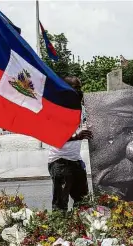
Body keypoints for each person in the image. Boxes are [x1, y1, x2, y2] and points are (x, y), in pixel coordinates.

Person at [48, 76, 92, 212]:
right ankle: (61, 232)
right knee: (60, 205)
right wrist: (76, 136)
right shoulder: (57, 109)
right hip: (60, 162)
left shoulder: (82, 108)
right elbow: (52, 135)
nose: (79, 91)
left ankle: (80, 232)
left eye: (80, 87)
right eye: (75, 87)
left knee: (83, 204)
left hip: (76, 161)